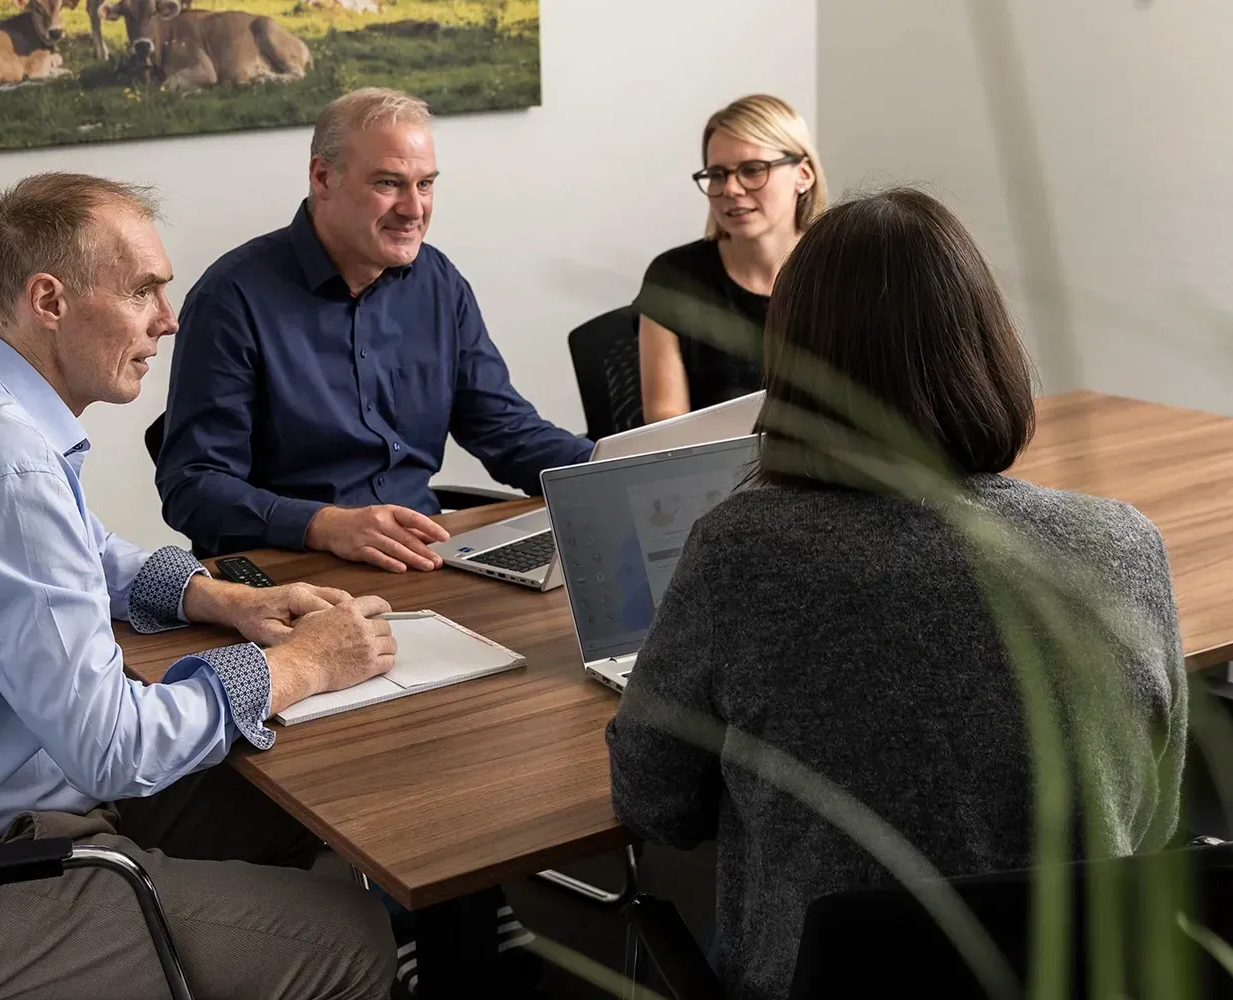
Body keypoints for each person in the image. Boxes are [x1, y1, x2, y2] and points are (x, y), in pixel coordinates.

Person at [0, 172, 402, 1000]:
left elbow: (86, 552)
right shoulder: (6, 469)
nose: (168, 319)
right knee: (355, 940)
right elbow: (113, 746)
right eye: (142, 292)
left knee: (319, 801)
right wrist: (304, 665)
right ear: (49, 300)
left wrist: (220, 597)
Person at [605, 189, 1187, 999]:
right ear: (989, 346)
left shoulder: (742, 554)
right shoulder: (1122, 546)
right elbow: (1151, 812)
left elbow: (656, 805)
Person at [155, 87, 593, 568]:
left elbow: (506, 430)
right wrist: (322, 524)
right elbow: (193, 486)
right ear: (323, 177)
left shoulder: (438, 282)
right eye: (389, 183)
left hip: (422, 559)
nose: (414, 209)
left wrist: (614, 467)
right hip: (290, 571)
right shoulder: (232, 299)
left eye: (425, 185)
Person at [634, 94, 827, 423]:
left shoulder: (845, 269)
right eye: (718, 174)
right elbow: (666, 427)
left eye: (753, 170)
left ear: (804, 174)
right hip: (719, 471)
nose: (732, 189)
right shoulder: (674, 278)